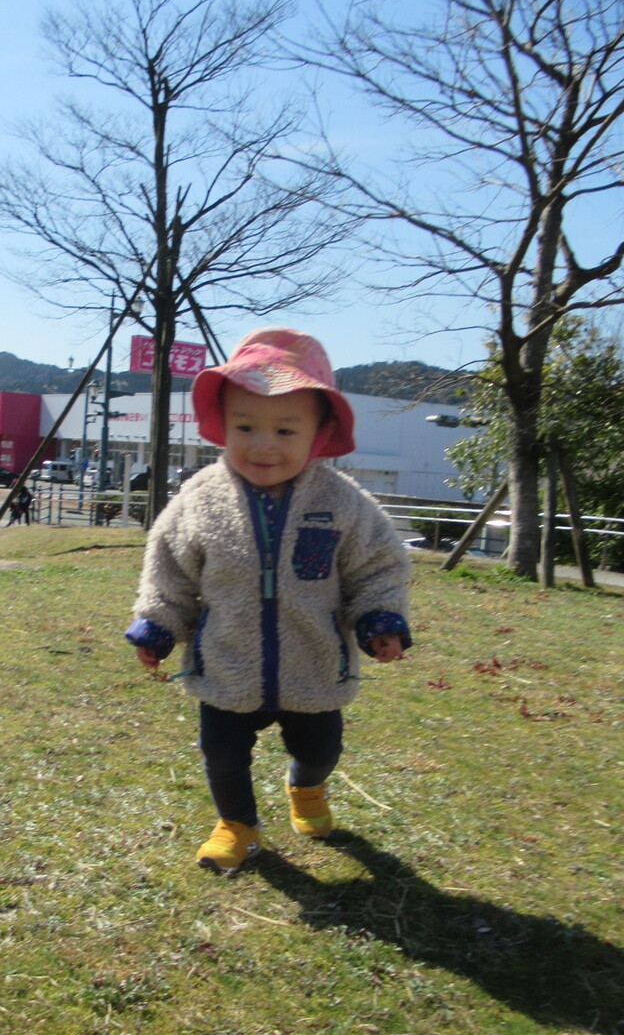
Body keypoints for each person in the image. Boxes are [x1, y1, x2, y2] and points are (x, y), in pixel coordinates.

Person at [125, 328, 412, 875]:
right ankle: (237, 824)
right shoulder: (200, 500)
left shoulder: (343, 503)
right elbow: (169, 570)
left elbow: (378, 565)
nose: (263, 445)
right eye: (245, 427)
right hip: (227, 662)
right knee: (223, 755)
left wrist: (380, 619)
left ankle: (306, 788)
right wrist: (158, 625)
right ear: (221, 426)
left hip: (314, 664)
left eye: (285, 429)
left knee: (321, 750)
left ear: (320, 432)